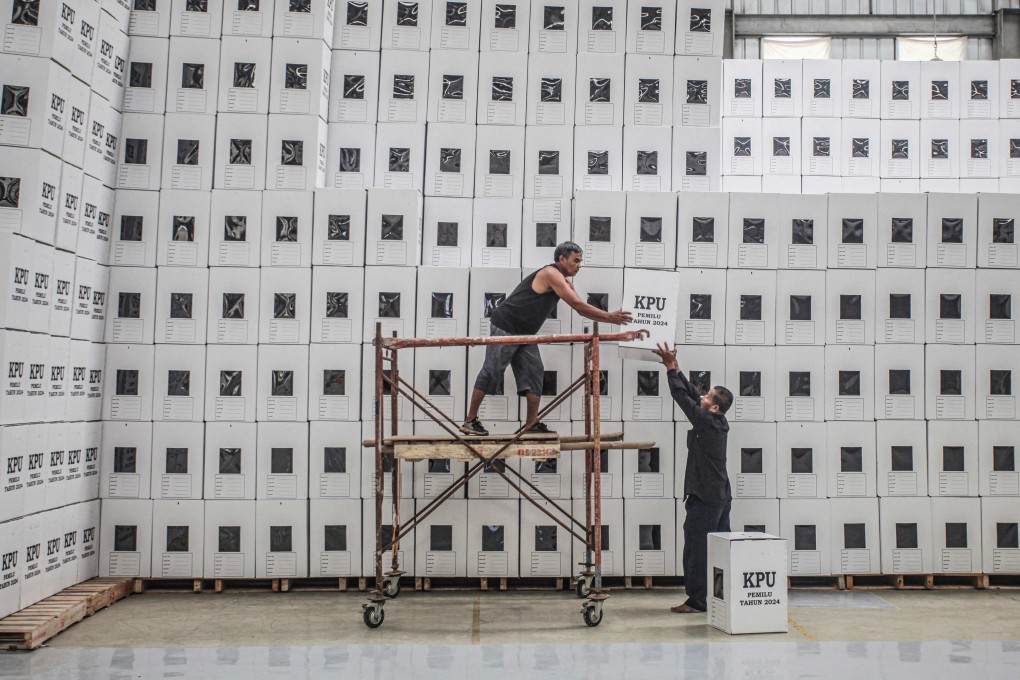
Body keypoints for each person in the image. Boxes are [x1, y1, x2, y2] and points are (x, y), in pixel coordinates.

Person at [461, 242, 633, 436]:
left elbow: (580, 307)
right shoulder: (551, 273)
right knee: (492, 370)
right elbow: (577, 305)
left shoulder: (565, 281)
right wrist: (610, 316)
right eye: (576, 261)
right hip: (506, 325)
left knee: (534, 371)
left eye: (580, 261)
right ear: (562, 259)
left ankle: (531, 424)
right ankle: (470, 421)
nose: (579, 265)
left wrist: (611, 319)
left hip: (525, 332)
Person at [652, 342, 734, 614]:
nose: (703, 397)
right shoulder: (716, 421)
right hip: (720, 495)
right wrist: (676, 368)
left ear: (715, 408)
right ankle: (720, 596)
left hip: (706, 497)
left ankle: (698, 601)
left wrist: (669, 369)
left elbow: (682, 397)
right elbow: (691, 393)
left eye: (708, 397)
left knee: (697, 549)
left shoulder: (707, 423)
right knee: (720, 547)